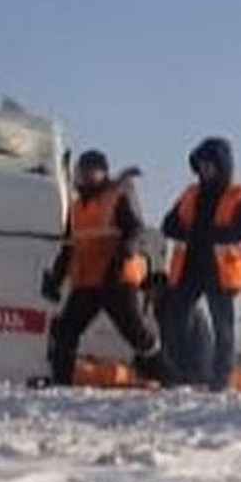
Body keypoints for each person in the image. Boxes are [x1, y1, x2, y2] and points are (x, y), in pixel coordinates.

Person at [41, 149, 173, 386]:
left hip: (116, 280)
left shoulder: (115, 198)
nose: (89, 175)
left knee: (136, 334)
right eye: (85, 170)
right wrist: (56, 279)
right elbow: (69, 248)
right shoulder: (76, 208)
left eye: (95, 170)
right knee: (65, 331)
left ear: (104, 173)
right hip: (87, 281)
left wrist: (126, 251)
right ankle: (60, 382)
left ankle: (167, 378)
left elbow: (135, 230)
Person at [161, 137, 241, 390]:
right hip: (189, 267)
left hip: (220, 270)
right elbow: (168, 224)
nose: (205, 170)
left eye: (210, 165)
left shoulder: (240, 195)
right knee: (175, 318)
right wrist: (190, 233)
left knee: (222, 325)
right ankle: (180, 371)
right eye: (201, 165)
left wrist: (206, 234)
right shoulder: (191, 193)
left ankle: (220, 377)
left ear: (223, 166)